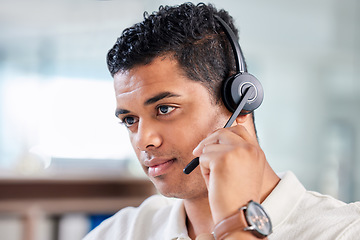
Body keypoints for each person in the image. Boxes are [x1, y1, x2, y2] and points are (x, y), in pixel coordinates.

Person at [83, 2, 360, 240]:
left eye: (165, 109)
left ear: (240, 100)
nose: (144, 140)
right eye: (130, 120)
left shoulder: (344, 230)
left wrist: (238, 223)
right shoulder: (121, 231)